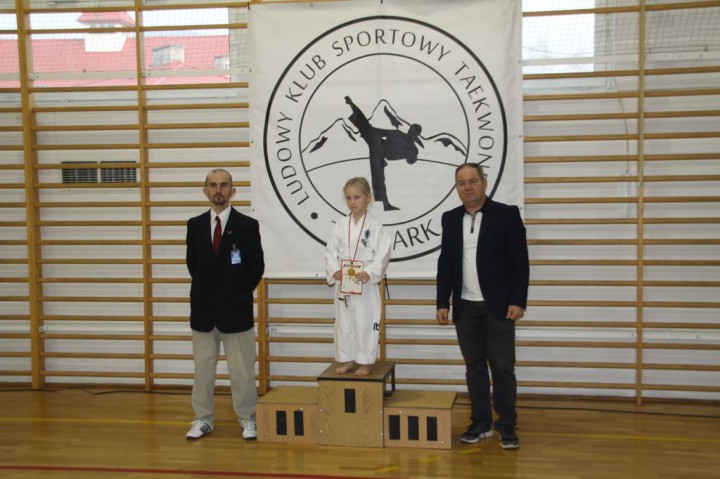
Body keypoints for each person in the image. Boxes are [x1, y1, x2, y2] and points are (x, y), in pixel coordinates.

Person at [435, 163, 529, 450]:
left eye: (473, 181)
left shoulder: (507, 214)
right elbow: (446, 263)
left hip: (499, 307)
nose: (467, 187)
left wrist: (517, 300)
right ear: (457, 187)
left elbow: (520, 262)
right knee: (474, 367)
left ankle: (507, 425)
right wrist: (442, 301)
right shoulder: (450, 219)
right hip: (465, 307)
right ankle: (481, 423)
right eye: (461, 183)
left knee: (502, 368)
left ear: (484, 182)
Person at [185, 169, 265, 440]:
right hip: (204, 310)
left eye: (223, 185)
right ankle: (203, 419)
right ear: (205, 190)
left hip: (236, 309)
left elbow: (256, 267)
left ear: (232, 190)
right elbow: (193, 265)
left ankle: (248, 419)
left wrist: (237, 291)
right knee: (203, 370)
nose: (218, 190)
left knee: (242, 370)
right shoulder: (194, 225)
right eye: (213, 185)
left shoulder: (247, 226)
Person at [324, 177, 392, 376]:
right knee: (344, 323)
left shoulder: (375, 226)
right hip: (345, 281)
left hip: (365, 282)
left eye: (357, 197)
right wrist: (334, 269)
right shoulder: (340, 225)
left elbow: (384, 252)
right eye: (348, 198)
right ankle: (347, 359)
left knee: (365, 322)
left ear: (367, 198)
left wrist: (370, 272)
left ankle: (365, 362)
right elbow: (330, 251)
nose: (352, 202)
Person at [345, 96, 423, 212]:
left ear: (416, 134)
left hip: (380, 153)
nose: (411, 132)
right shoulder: (399, 134)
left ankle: (385, 205)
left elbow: (410, 161)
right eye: (411, 129)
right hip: (378, 145)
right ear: (409, 130)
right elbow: (382, 132)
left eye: (414, 131)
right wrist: (371, 133)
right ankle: (352, 105)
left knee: (379, 179)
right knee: (366, 126)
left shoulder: (413, 149)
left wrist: (413, 156)